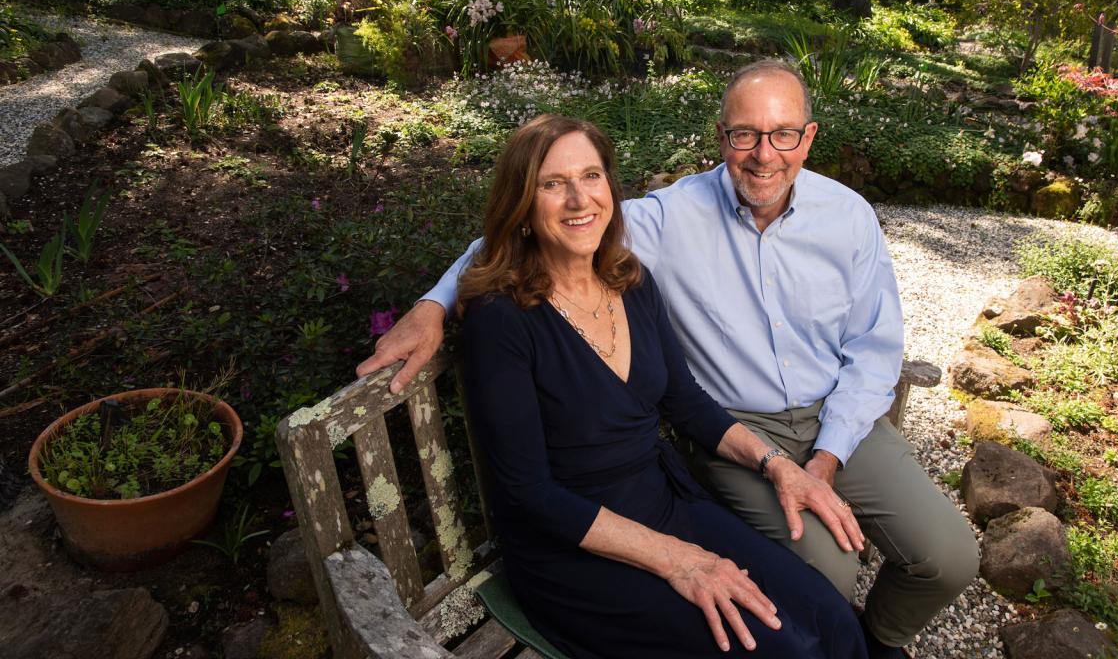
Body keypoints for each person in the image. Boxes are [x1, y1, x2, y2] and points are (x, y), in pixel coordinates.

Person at [358, 61, 979, 658]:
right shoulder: (633, 240)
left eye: (783, 134)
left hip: (786, 441)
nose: (764, 154)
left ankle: (872, 645)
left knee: (852, 608)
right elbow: (529, 490)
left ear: (808, 138)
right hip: (590, 532)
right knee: (810, 605)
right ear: (722, 137)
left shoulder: (632, 276)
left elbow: (709, 392)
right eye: (745, 134)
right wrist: (433, 304)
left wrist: (806, 462)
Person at [453, 113, 867, 658]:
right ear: (523, 206)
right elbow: (531, 495)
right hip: (574, 548)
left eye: (591, 176)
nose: (579, 200)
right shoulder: (500, 320)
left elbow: (686, 402)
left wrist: (778, 466)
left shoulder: (628, 280)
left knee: (832, 620)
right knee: (784, 650)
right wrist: (679, 559)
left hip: (665, 504)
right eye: (553, 184)